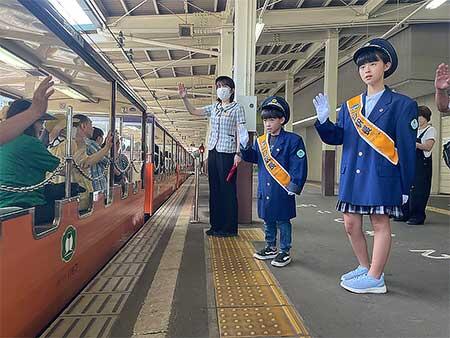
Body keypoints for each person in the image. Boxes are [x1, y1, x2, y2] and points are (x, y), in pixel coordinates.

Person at [314, 38, 417, 294]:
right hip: (353, 177)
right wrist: (324, 121)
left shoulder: (403, 105)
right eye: (362, 66)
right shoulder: (351, 106)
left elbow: (405, 148)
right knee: (350, 223)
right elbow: (338, 137)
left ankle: (376, 277)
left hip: (381, 176)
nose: (367, 70)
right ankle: (364, 266)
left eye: (373, 63)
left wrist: (406, 184)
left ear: (387, 65)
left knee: (380, 222)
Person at [240, 96, 307, 267]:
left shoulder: (293, 140)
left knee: (283, 220)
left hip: (282, 189)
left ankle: (285, 250)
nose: (267, 124)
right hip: (265, 189)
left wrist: (295, 185)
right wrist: (244, 146)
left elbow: (299, 164)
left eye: (271, 119)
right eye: (265, 120)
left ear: (282, 119)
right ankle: (270, 246)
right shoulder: (261, 141)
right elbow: (253, 158)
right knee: (268, 219)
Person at [178, 76, 247, 237]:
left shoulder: (237, 108)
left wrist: (239, 153)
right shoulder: (214, 108)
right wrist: (185, 98)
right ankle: (215, 226)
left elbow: (241, 132)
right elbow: (194, 111)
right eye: (218, 86)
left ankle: (229, 228)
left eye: (224, 86)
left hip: (228, 153)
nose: (221, 89)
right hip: (214, 152)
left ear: (232, 90)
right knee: (215, 189)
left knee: (227, 190)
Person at [0, 99, 61, 224]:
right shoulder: (30, 142)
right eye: (40, 121)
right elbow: (63, 168)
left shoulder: (4, 142)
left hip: (3, 203)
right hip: (24, 205)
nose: (42, 127)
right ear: (28, 121)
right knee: (67, 210)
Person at [395, 106, 436, 225]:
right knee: (406, 187)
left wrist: (414, 144)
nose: (417, 118)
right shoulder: (413, 130)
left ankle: (417, 216)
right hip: (410, 162)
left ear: (425, 117)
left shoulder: (430, 130)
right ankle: (404, 213)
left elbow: (428, 146)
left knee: (419, 190)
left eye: (420, 116)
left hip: (422, 164)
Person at [0, 76, 54, 145]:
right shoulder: (28, 142)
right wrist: (34, 112)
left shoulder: (10, 142)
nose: (42, 127)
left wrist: (34, 112)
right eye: (41, 122)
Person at [87, 127, 109, 193]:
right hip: (96, 184)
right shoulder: (92, 144)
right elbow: (106, 160)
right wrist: (108, 145)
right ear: (99, 138)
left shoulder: (86, 144)